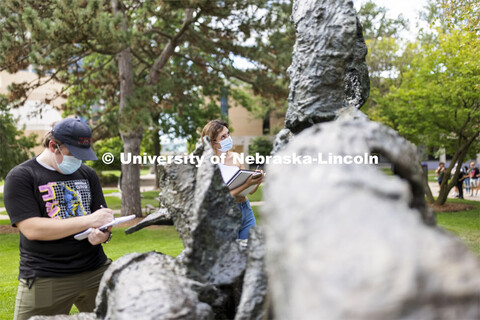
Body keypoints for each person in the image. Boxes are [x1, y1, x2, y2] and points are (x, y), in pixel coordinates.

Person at [3, 118, 114, 320]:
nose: (79, 161)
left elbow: (102, 221)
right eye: (75, 154)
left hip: (95, 271)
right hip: (46, 276)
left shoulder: (88, 174)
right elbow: (32, 229)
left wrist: (104, 235)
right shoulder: (22, 176)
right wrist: (89, 221)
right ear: (54, 146)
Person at [201, 119, 263, 239]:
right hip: (226, 213)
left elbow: (251, 191)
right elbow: (220, 197)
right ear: (213, 142)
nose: (228, 138)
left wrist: (257, 180)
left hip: (245, 209)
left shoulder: (237, 157)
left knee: (250, 251)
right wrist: (247, 184)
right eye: (223, 137)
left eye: (228, 134)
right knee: (232, 254)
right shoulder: (209, 164)